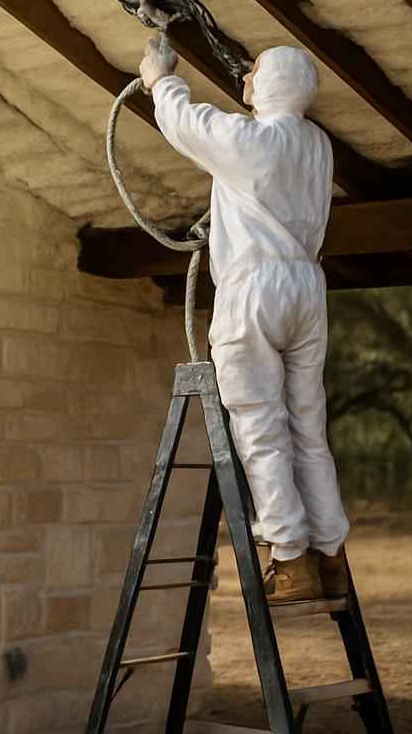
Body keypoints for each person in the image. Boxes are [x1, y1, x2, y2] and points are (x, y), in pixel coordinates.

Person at [139, 34, 350, 604]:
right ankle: (330, 556)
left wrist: (161, 78)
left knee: (259, 426)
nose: (246, 78)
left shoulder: (252, 141)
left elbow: (187, 124)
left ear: (273, 85)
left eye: (255, 72)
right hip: (307, 286)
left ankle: (289, 560)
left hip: (255, 285)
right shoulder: (317, 145)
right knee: (308, 425)